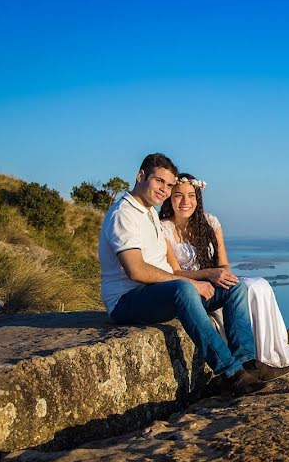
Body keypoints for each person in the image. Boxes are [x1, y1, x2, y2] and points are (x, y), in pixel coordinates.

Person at [98, 153, 268, 395]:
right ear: (140, 176)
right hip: (127, 301)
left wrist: (198, 279)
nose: (164, 190)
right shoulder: (124, 214)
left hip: (158, 293)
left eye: (168, 185)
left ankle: (247, 363)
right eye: (159, 182)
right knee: (184, 288)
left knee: (235, 287)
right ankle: (230, 373)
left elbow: (167, 268)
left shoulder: (148, 212)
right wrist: (190, 283)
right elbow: (136, 270)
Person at [159, 173, 289, 370]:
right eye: (178, 195)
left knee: (259, 284)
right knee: (247, 288)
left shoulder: (210, 223)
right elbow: (175, 271)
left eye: (191, 195)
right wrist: (207, 274)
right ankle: (251, 359)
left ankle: (256, 357)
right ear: (169, 198)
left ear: (198, 198)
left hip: (216, 281)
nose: (186, 201)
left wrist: (221, 275)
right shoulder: (164, 229)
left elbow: (224, 263)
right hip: (192, 288)